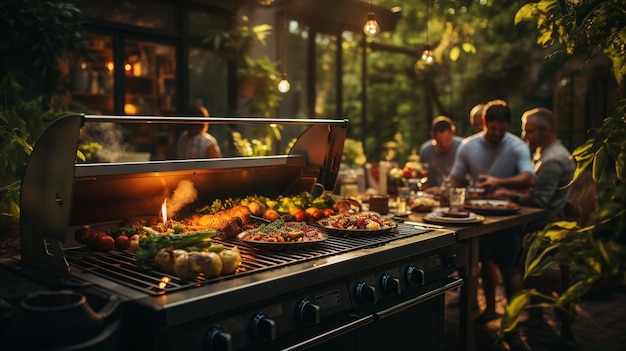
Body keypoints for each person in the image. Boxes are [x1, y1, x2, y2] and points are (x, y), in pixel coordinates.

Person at [449, 99, 536, 324]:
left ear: (508, 125)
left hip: (508, 216)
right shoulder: (468, 146)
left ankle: (513, 319)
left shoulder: (517, 146)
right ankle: (490, 309)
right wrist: (453, 192)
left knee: (509, 268)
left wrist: (498, 182)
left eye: (502, 129)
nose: (497, 133)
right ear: (484, 122)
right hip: (478, 216)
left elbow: (529, 178)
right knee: (484, 262)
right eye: (493, 128)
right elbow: (455, 178)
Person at [491, 107, 576, 231]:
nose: (524, 136)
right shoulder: (544, 153)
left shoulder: (553, 160)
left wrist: (509, 194)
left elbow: (540, 200)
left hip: (546, 227)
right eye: (524, 130)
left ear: (545, 131)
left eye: (529, 131)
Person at [419, 116, 463, 191]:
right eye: (440, 142)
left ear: (452, 132)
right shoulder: (425, 151)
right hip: (433, 194)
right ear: (433, 135)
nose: (444, 145)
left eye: (447, 141)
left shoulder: (462, 147)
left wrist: (442, 190)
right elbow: (423, 176)